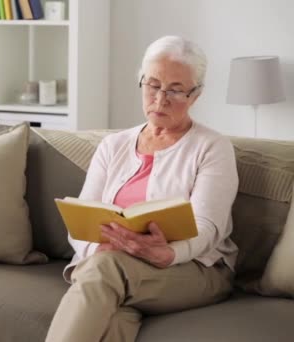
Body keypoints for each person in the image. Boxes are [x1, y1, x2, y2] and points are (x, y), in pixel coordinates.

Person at [45, 36, 239, 342]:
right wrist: (98, 248)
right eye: (152, 85)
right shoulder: (113, 145)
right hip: (120, 270)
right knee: (113, 315)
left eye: (175, 90)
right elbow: (80, 220)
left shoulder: (212, 147)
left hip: (196, 269)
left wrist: (169, 253)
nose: (161, 99)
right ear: (141, 83)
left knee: (105, 271)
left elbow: (208, 227)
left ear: (195, 95)